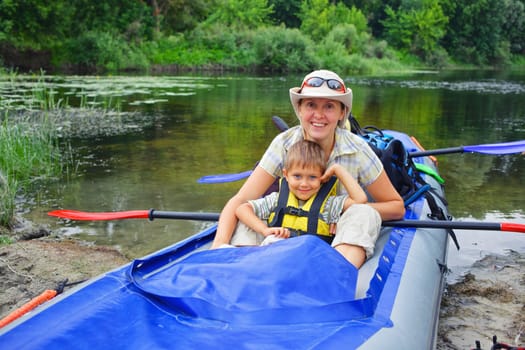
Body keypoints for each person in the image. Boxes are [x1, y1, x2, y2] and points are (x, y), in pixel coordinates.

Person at [211, 69, 405, 268]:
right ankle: (243, 268)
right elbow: (241, 200)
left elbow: (396, 206)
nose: (319, 115)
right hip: (284, 237)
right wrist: (219, 245)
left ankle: (333, 275)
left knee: (364, 213)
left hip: (335, 238)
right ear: (300, 110)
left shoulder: (357, 149)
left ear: (341, 113)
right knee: (248, 213)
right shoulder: (284, 144)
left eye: (329, 106)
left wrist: (343, 216)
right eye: (311, 105)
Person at [234, 139, 368, 247]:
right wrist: (264, 230)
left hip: (309, 262)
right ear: (286, 175)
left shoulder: (329, 205)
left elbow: (360, 200)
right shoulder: (275, 200)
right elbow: (241, 209)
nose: (304, 184)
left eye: (312, 177)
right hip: (276, 257)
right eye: (297, 176)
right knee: (246, 224)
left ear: (322, 177)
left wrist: (337, 170)